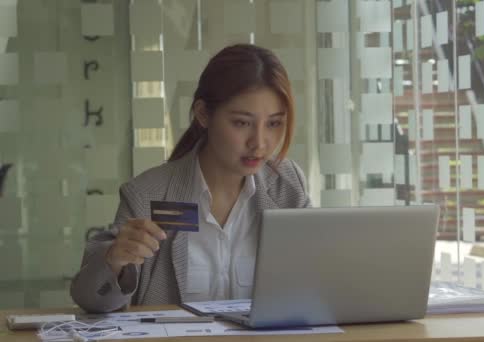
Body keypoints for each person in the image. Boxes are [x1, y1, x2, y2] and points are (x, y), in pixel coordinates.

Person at [71, 44, 310, 313]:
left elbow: (315, 284)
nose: (259, 143)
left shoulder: (287, 185)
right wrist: (114, 261)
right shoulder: (149, 193)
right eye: (242, 123)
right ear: (204, 114)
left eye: (274, 123)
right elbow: (91, 301)